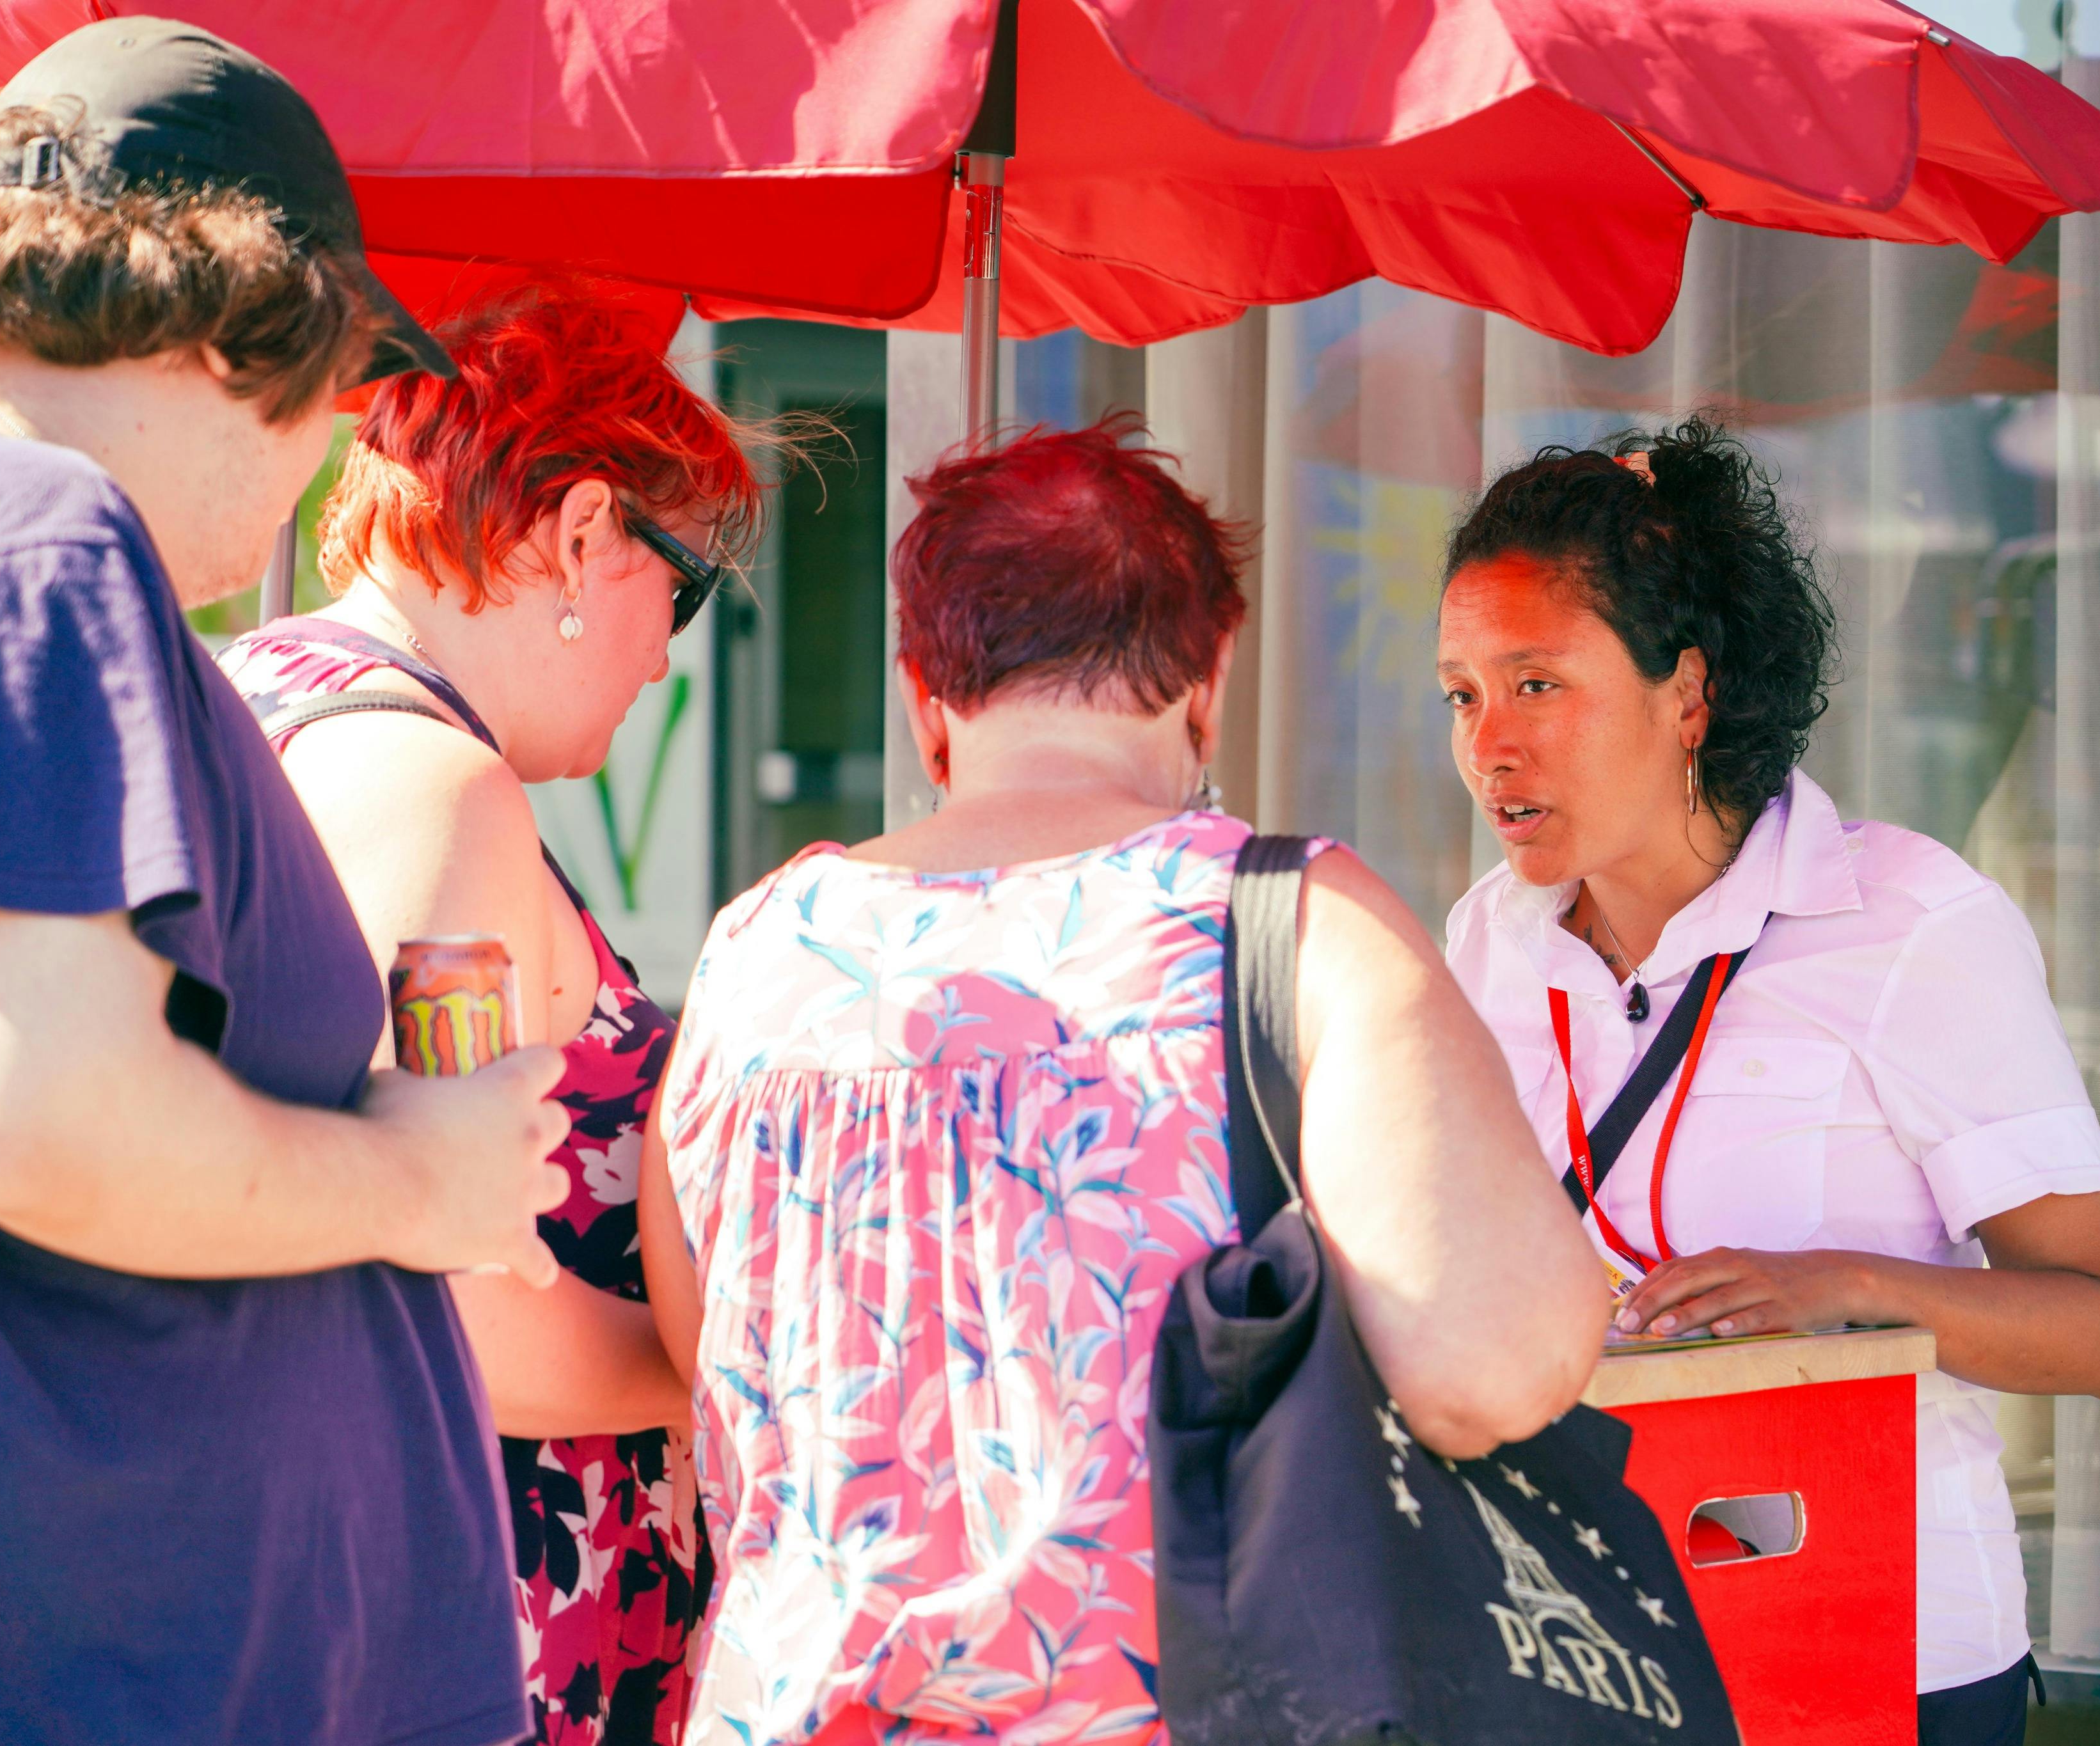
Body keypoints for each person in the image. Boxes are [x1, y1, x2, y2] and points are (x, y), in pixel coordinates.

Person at [0, 21, 576, 1744]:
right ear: (236, 325)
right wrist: (411, 1186)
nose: (336, 454)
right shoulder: (30, 540)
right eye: (343, 384)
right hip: (92, 1666)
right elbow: (38, 1114)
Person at [637, 418, 1611, 1746]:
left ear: (926, 695)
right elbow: (1491, 1367)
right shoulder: (1294, 926)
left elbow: (704, 1350)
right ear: (1206, 682)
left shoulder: (756, 948)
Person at [1435, 419, 2100, 1745]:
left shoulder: (1911, 922)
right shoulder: (1483, 939)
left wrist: (1842, 1288)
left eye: (1536, 684)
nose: (1490, 747)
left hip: (1879, 1653)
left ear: (1686, 694)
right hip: (1587, 1645)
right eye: (1462, 695)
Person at [218, 278, 761, 1745]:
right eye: (683, 587)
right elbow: (449, 1280)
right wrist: (732, 1380)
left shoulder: (259, 694)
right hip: (482, 1622)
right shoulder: (432, 790)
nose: (664, 655)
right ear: (583, 532)